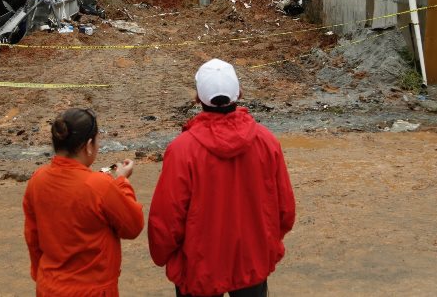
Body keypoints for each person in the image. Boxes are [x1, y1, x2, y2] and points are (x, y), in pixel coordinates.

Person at [148, 58, 296, 297]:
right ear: (240, 93)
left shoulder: (182, 150)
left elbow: (166, 218)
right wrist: (264, 243)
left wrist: (165, 256)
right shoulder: (267, 142)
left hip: (199, 266)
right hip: (251, 260)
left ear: (197, 98)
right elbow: (285, 210)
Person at [23, 108, 144, 297]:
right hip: (92, 290)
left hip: (49, 286)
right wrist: (122, 182)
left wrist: (42, 276)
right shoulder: (98, 184)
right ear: (88, 145)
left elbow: (32, 237)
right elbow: (133, 226)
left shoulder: (37, 180)